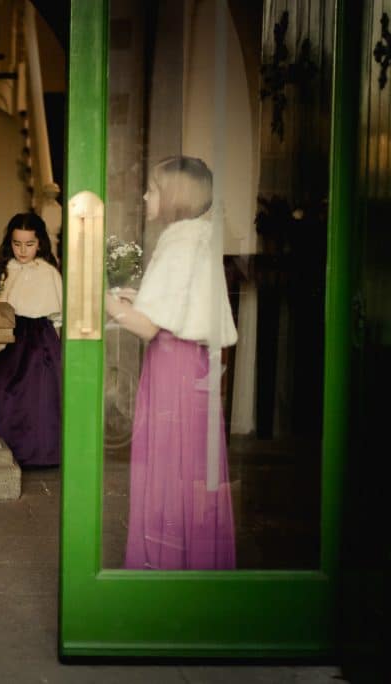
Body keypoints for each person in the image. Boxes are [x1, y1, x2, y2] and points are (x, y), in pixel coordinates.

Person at [104, 155, 237, 570]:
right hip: (189, 362)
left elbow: (148, 326)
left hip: (172, 364)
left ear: (174, 195)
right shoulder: (199, 236)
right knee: (189, 465)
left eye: (153, 189)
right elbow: (179, 305)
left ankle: (164, 566)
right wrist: (140, 296)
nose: (146, 197)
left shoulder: (179, 240)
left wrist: (101, 299)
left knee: (168, 464)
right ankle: (193, 564)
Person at [0, 212, 63, 467]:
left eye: (29, 244)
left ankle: (38, 453)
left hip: (39, 339)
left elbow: (57, 316)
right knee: (1, 389)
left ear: (40, 243)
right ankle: (5, 448)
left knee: (37, 395)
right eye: (17, 244)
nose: (23, 250)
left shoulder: (48, 272)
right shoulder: (5, 270)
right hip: (8, 335)